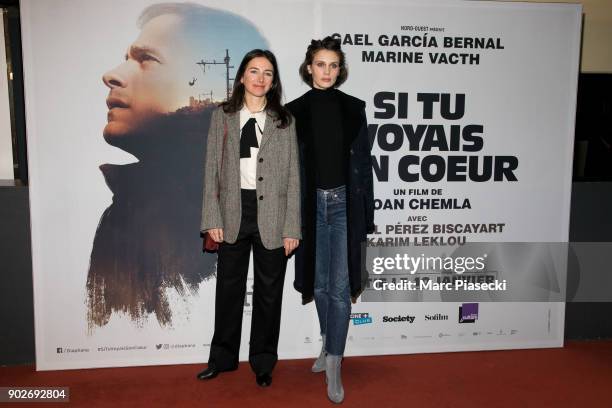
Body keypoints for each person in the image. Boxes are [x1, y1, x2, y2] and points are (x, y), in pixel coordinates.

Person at [87, 3, 268, 329]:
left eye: (146, 60)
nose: (112, 74)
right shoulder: (128, 203)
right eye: (127, 59)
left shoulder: (171, 203)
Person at [197, 49, 300, 387]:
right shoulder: (222, 117)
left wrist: (291, 227)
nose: (260, 78)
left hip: (272, 214)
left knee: (270, 293)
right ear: (241, 76)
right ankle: (222, 358)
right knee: (228, 289)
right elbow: (211, 170)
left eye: (267, 73)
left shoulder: (284, 121)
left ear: (273, 82)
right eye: (253, 71)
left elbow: (293, 178)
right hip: (232, 212)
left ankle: (263, 362)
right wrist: (212, 216)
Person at [287, 37, 375, 403]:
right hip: (310, 209)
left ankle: (335, 363)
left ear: (341, 70)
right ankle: (328, 345)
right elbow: (290, 172)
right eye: (320, 64)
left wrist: (366, 217)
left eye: (333, 65)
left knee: (339, 288)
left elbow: (363, 168)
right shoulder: (293, 112)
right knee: (319, 286)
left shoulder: (355, 108)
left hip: (343, 207)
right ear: (309, 67)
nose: (326, 71)